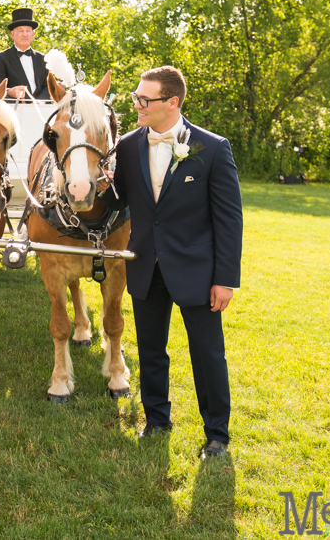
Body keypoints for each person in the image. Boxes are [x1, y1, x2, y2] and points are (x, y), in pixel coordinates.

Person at [100, 66, 242, 459]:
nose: (137, 106)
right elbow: (118, 201)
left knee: (207, 352)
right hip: (145, 265)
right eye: (136, 98)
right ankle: (157, 419)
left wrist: (225, 279)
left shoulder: (212, 148)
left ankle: (217, 434)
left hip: (198, 271)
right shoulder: (127, 146)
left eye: (145, 100)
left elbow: (229, 219)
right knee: (150, 349)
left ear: (172, 102)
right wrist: (91, 183)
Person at [0, 8, 50, 101]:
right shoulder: (0, 58)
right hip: (13, 111)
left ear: (33, 35)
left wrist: (38, 103)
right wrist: (9, 92)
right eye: (21, 30)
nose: (25, 34)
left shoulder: (43, 58)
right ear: (12, 35)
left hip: (42, 110)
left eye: (28, 30)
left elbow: (49, 87)